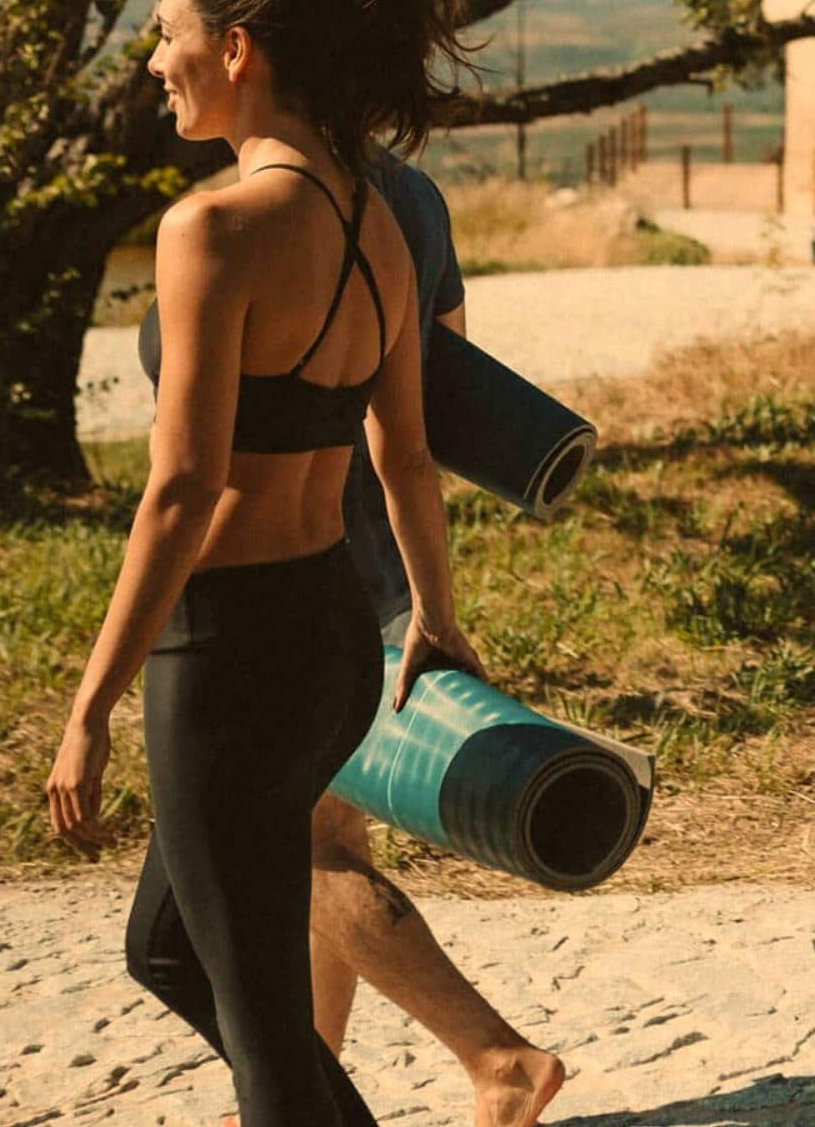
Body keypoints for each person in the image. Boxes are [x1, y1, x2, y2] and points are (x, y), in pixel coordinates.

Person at [48, 0, 484, 1127]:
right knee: (174, 951)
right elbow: (402, 447)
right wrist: (431, 616)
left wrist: (87, 711)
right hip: (334, 639)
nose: (153, 59)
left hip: (227, 656)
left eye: (165, 30)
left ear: (236, 49)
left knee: (258, 1027)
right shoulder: (378, 222)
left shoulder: (216, 229)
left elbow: (180, 490)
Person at [299, 151, 566, 1127]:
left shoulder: (294, 190)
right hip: (383, 552)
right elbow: (443, 379)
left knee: (301, 846)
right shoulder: (411, 189)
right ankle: (309, 1087)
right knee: (330, 829)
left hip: (299, 558)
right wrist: (426, 593)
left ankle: (498, 1057)